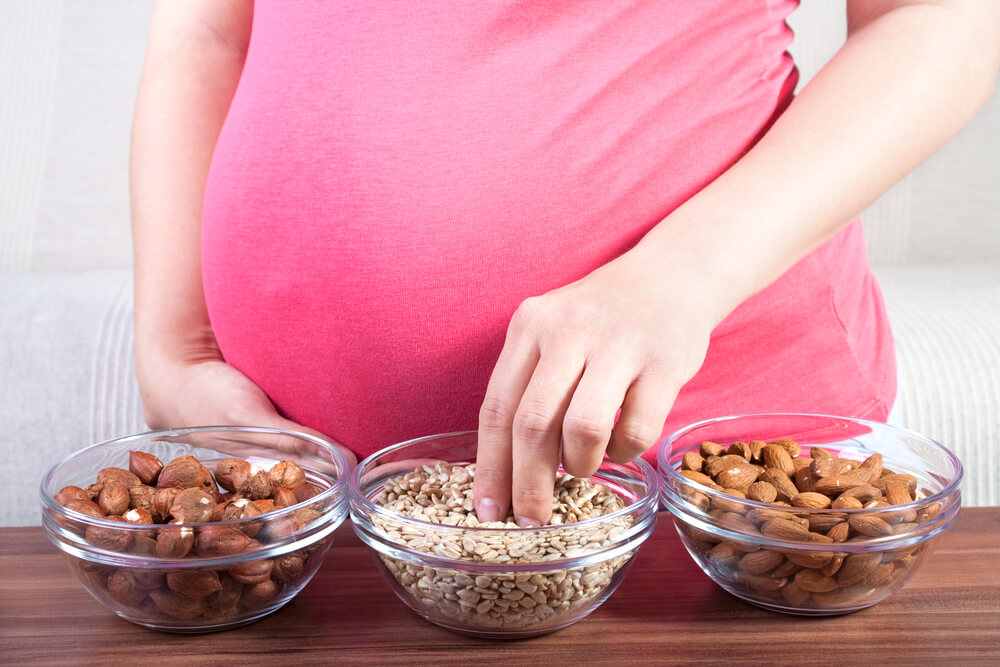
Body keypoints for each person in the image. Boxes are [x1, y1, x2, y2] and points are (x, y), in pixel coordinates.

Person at [131, 1, 1000, 528]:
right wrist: (176, 349)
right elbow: (206, 32)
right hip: (282, 492)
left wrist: (680, 276)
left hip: (714, 482)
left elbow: (936, 17)